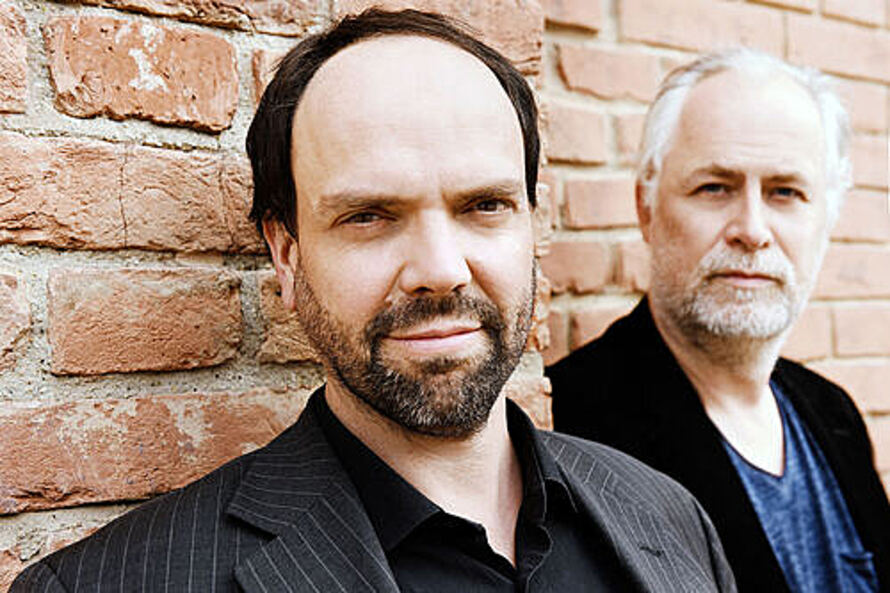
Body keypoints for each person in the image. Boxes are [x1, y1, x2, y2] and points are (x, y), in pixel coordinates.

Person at [12, 10, 736, 593]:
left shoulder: (669, 513)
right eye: (369, 216)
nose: (441, 271)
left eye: (484, 205)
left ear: (531, 226)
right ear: (287, 255)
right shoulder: (109, 582)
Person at [547, 48, 890, 593]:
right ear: (647, 209)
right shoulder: (570, 432)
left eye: (785, 192)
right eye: (715, 187)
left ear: (826, 220)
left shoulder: (834, 413)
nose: (751, 230)